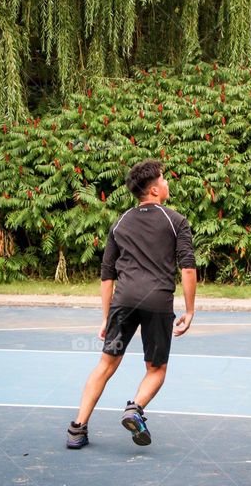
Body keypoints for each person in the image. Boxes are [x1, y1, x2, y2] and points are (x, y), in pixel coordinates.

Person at [66, 159, 197, 448]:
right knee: (156, 369)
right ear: (153, 190)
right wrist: (189, 311)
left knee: (105, 364)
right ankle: (135, 409)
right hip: (158, 303)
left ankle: (77, 429)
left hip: (123, 302)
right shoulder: (176, 221)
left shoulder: (121, 222)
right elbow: (187, 267)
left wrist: (105, 317)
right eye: (164, 180)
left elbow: (107, 273)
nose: (167, 184)